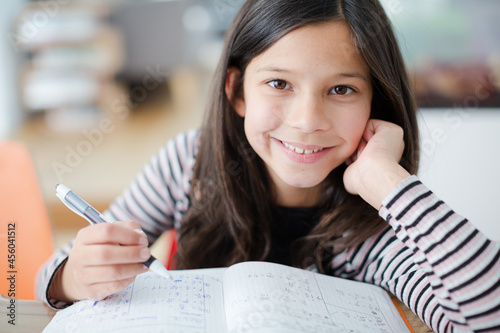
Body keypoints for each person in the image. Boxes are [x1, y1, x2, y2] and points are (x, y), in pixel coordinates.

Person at [37, 0, 500, 331]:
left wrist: (387, 180)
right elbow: (47, 277)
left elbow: (486, 317)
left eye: (341, 90)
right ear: (238, 91)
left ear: (375, 103)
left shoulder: (375, 225)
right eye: (279, 83)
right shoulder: (187, 164)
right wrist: (75, 275)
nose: (307, 122)